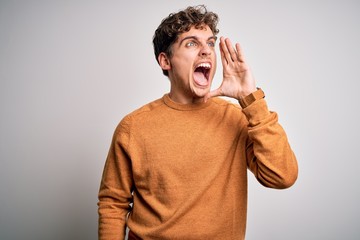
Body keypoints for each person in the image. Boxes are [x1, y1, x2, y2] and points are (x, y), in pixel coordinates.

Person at [98, 5, 298, 240]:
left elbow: (282, 176)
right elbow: (113, 203)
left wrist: (250, 98)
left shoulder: (236, 118)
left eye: (210, 43)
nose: (206, 51)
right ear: (165, 61)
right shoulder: (133, 127)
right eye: (192, 43)